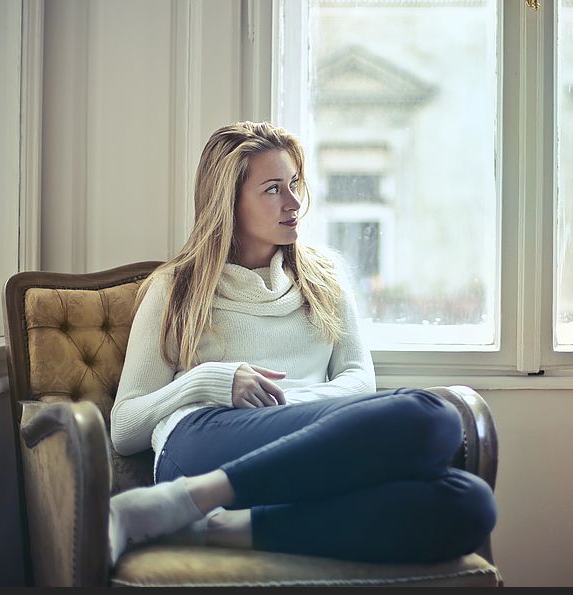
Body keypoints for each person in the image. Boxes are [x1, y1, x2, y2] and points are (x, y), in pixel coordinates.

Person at [108, 121, 496, 566]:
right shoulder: (176, 288)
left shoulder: (323, 276)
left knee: (468, 502)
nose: (293, 203)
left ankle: (217, 526)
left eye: (293, 184)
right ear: (227, 203)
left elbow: (358, 380)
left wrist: (290, 404)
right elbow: (124, 428)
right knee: (430, 416)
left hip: (307, 443)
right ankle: (186, 496)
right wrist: (207, 381)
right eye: (273, 189)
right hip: (202, 441)